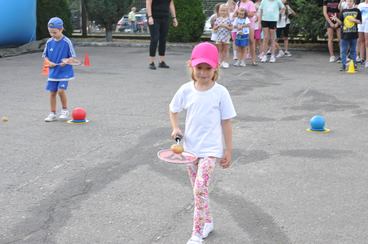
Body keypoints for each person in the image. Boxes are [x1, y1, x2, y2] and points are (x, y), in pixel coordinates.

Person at [169, 42, 236, 244]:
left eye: (208, 68)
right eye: (199, 68)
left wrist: (228, 150)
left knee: (200, 188)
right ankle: (208, 222)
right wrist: (175, 127)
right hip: (190, 150)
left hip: (210, 151)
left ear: (216, 67)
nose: (203, 73)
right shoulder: (186, 90)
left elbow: (226, 122)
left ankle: (197, 233)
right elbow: (173, 109)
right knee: (199, 191)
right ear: (191, 66)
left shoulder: (221, 92)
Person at [42, 17, 78, 122]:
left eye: (54, 32)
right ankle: (52, 113)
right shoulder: (49, 42)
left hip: (64, 72)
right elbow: (45, 57)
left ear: (61, 29)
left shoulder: (67, 42)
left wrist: (66, 61)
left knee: (61, 91)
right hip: (53, 72)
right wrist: (49, 63)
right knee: (52, 92)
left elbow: (72, 57)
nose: (52, 35)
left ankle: (65, 110)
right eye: (50, 32)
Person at [146, 0, 178, 70]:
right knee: (155, 38)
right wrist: (150, 16)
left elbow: (171, 4)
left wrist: (174, 18)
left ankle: (162, 62)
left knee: (163, 39)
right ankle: (151, 62)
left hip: (165, 17)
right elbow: (148, 3)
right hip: (154, 17)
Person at [235, 0, 258, 65]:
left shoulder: (250, 3)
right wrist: (239, 13)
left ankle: (253, 59)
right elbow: (235, 13)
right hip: (240, 26)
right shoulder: (238, 3)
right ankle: (240, 59)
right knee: (240, 44)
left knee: (251, 41)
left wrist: (242, 13)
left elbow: (252, 14)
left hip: (249, 25)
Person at [214, 4, 233, 68]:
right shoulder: (217, 19)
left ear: (227, 11)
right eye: (221, 10)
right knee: (219, 50)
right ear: (219, 11)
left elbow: (231, 28)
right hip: (219, 36)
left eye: (224, 10)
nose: (223, 12)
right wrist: (218, 26)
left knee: (226, 50)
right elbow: (214, 28)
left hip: (226, 36)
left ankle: (225, 62)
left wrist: (226, 26)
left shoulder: (229, 19)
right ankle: (219, 61)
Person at [358, 0, 368, 68]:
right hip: (361, 24)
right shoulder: (361, 5)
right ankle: (362, 59)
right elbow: (357, 15)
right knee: (361, 41)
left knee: (367, 42)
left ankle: (367, 60)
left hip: (367, 24)